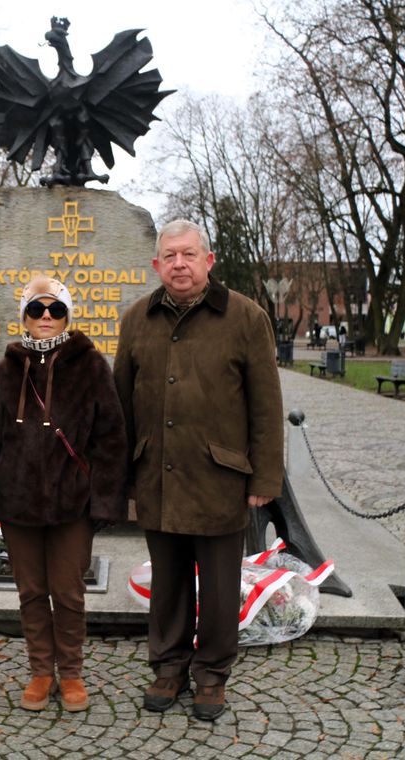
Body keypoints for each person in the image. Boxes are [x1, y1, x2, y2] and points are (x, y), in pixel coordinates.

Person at [112, 219, 284, 722]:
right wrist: (122, 478)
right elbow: (121, 404)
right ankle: (168, 667)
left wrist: (264, 479)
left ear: (208, 261)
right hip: (158, 475)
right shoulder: (137, 319)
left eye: (189, 255)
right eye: (170, 256)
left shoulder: (245, 317)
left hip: (219, 478)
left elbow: (266, 406)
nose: (179, 264)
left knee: (219, 585)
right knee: (167, 584)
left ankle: (211, 673)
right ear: (156, 264)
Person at [0, 275, 126, 713]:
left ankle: (72, 672)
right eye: (37, 308)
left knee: (67, 591)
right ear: (24, 315)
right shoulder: (5, 371)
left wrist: (103, 500)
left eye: (56, 309)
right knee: (30, 591)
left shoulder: (91, 366)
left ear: (67, 316)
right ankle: (41, 671)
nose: (46, 316)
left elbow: (111, 438)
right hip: (18, 501)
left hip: (71, 503)